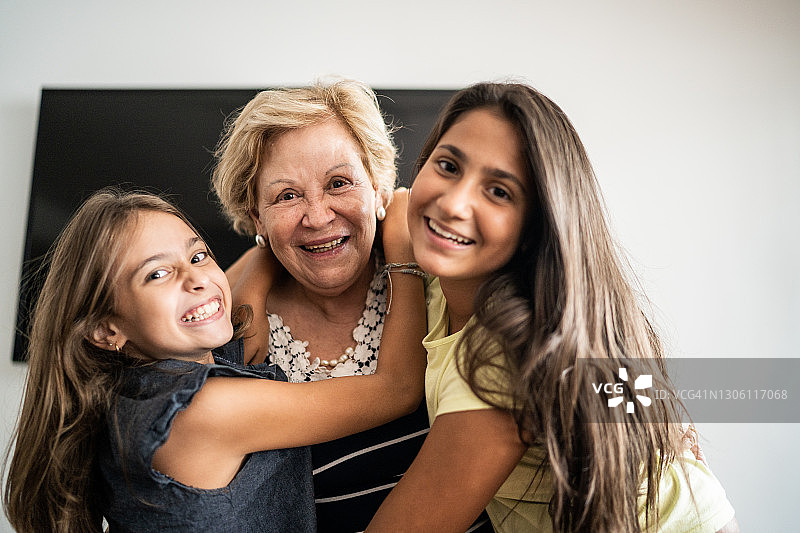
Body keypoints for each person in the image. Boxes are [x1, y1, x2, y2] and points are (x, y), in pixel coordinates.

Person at [366, 82, 739, 532]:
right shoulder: (450, 276)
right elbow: (400, 200)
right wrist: (259, 267)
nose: (453, 203)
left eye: (499, 192)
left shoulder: (501, 358)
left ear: (538, 222)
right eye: (448, 165)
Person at [2, 188, 426, 532]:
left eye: (199, 255)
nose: (197, 280)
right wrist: (401, 252)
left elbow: (236, 275)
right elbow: (398, 389)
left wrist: (271, 247)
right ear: (107, 330)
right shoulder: (203, 410)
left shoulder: (140, 385)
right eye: (156, 274)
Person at [212, 80, 492, 532]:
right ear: (257, 216)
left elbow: (634, 390)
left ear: (381, 188)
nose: (318, 216)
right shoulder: (224, 339)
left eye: (339, 183)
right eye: (288, 195)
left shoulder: (446, 282)